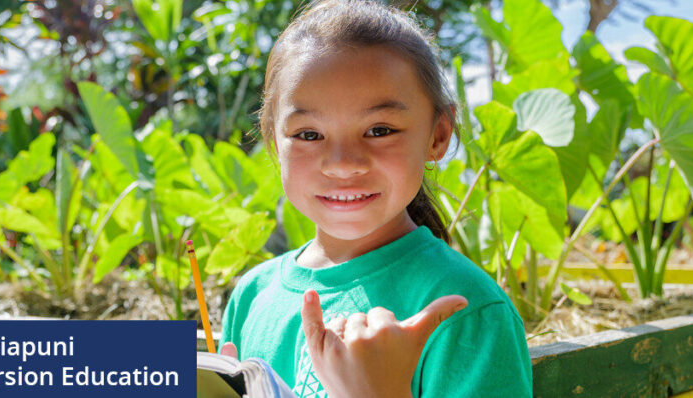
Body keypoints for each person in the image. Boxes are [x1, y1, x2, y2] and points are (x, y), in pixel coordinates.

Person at [219, 1, 533, 396]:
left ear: (437, 136)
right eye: (309, 134)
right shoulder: (252, 295)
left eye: (380, 129)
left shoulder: (465, 312)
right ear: (273, 143)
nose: (342, 164)